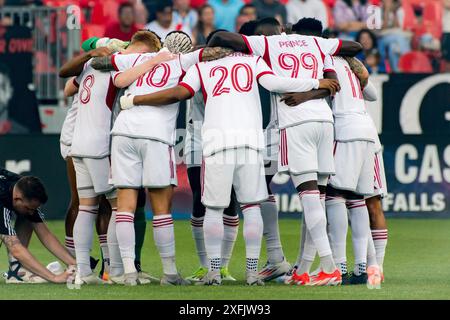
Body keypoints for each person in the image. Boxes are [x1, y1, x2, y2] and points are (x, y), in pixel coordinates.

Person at [119, 50, 340, 287]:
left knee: (213, 210)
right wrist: (316, 82)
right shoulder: (252, 60)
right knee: (252, 207)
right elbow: (275, 83)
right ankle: (252, 273)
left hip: (217, 141)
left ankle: (214, 272)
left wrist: (135, 99)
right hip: (250, 142)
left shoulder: (202, 67)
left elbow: (178, 93)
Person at [207, 17, 362, 286]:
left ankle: (328, 267)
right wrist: (315, 80)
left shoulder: (266, 45)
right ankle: (301, 268)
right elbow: (344, 62)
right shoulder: (319, 44)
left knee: (300, 197)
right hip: (325, 122)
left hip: (287, 125)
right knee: (315, 198)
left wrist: (207, 48)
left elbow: (225, 38)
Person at [91, 31, 232, 286]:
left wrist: (123, 51)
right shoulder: (182, 61)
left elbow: (98, 62)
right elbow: (214, 53)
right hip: (155, 135)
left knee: (125, 206)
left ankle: (129, 274)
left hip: (122, 131)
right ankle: (169, 273)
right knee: (161, 209)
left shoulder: (134, 59)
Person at [0, 168, 75, 283]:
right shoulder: (2, 198)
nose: (31, 212)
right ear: (17, 199)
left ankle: (16, 270)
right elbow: (15, 248)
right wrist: (54, 277)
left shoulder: (21, 185)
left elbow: (45, 235)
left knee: (28, 216)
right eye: (28, 208)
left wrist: (73, 264)